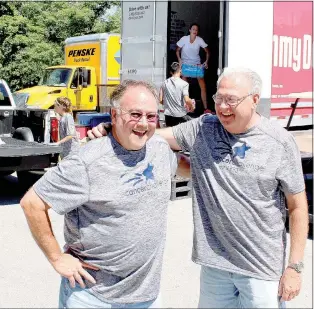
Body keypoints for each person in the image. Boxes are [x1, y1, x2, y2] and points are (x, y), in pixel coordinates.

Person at [87, 68, 309, 308]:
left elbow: (297, 207)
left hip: (261, 269)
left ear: (255, 100)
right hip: (215, 267)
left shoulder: (279, 142)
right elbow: (155, 136)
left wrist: (294, 268)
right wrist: (114, 131)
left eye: (231, 99)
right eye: (218, 98)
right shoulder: (204, 128)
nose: (223, 107)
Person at [20, 80, 187, 308]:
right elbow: (32, 203)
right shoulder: (88, 161)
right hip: (93, 296)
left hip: (147, 296)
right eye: (135, 114)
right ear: (115, 115)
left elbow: (184, 167)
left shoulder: (159, 148)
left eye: (151, 116)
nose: (144, 123)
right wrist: (57, 258)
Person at [176, 23, 212, 114]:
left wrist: (206, 62)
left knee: (203, 87)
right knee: (184, 87)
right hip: (186, 64)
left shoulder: (199, 40)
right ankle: (184, 107)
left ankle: (206, 109)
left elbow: (207, 52)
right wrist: (180, 60)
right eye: (193, 29)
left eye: (196, 30)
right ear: (190, 30)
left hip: (196, 64)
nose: (195, 31)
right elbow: (177, 50)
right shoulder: (184, 39)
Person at [159, 62, 195, 127]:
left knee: (170, 135)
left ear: (170, 72)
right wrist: (192, 106)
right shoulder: (184, 84)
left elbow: (161, 100)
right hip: (181, 115)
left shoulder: (164, 83)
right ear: (180, 71)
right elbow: (187, 100)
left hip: (168, 115)